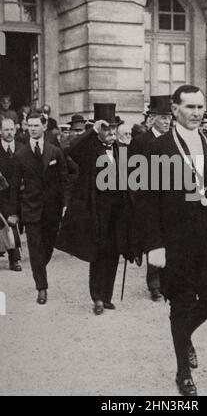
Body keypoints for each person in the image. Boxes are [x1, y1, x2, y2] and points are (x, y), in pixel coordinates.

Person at [134, 85, 207, 396]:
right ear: (174, 110)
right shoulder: (158, 148)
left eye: (200, 107)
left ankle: (184, 334)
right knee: (180, 305)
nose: (196, 113)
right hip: (175, 241)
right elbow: (145, 201)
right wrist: (154, 244)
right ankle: (183, 373)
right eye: (189, 107)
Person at [56, 104, 134, 315]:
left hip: (117, 214)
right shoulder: (90, 150)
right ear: (99, 130)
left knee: (113, 254)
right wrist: (91, 130)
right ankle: (97, 297)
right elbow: (71, 150)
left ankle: (107, 296)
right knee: (98, 254)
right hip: (97, 211)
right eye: (106, 129)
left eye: (113, 129)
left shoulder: (121, 150)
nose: (111, 133)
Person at [8, 112, 68, 305]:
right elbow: (15, 186)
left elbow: (64, 180)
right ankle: (41, 288)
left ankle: (40, 268)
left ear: (44, 127)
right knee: (35, 249)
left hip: (52, 209)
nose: (32, 129)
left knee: (48, 247)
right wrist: (13, 212)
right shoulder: (20, 155)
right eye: (29, 126)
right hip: (31, 209)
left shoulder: (54, 151)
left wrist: (66, 203)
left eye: (36, 125)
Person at [130, 95, 172, 302]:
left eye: (169, 118)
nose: (167, 121)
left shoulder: (173, 140)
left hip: (170, 198)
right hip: (148, 199)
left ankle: (167, 280)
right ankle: (154, 284)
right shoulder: (140, 142)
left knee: (170, 239)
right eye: (163, 117)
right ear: (152, 118)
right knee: (154, 240)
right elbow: (133, 174)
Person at [0, 118, 23, 271]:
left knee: (15, 223)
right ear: (0, 131)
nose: (9, 133)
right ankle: (14, 259)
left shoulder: (22, 148)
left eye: (11, 129)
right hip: (1, 193)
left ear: (15, 130)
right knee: (7, 223)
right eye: (6, 130)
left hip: (18, 193)